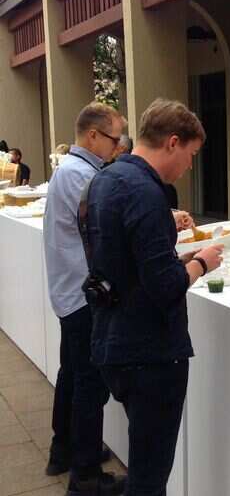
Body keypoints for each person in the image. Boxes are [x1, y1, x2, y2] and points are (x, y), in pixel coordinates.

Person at [85, 98, 223, 496]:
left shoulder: (105, 180)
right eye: (192, 154)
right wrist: (202, 263)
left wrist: (173, 257)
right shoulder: (147, 193)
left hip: (114, 341)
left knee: (144, 467)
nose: (191, 166)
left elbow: (123, 260)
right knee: (149, 477)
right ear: (173, 143)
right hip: (150, 354)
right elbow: (165, 286)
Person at [43, 102, 127, 495]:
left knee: (72, 375)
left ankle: (65, 450)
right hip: (82, 295)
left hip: (68, 291)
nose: (118, 146)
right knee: (89, 384)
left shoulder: (74, 171)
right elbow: (108, 232)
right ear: (92, 136)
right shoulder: (82, 176)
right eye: (115, 138)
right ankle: (87, 474)